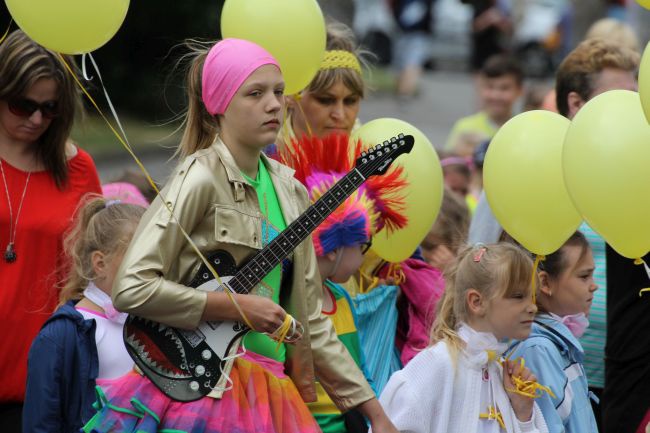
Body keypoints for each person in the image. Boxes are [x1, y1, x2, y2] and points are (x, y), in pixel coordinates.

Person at [82, 38, 397, 433]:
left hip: (270, 393)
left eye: (279, 92)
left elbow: (311, 320)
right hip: (202, 390)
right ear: (219, 104)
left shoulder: (291, 190)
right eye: (255, 93)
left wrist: (376, 414)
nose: (274, 104)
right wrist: (232, 307)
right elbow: (131, 287)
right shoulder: (199, 178)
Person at [468, 38, 639, 432]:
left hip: (626, 380)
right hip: (537, 372)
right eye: (618, 99)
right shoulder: (529, 165)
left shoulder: (632, 168)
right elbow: (477, 265)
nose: (632, 113)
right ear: (577, 103)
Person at [0, 30, 102, 430]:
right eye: (23, 105)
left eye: (50, 108)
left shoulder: (79, 169)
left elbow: (95, 278)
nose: (37, 119)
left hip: (45, 382)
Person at [280, 132, 409, 432]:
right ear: (336, 247)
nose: (364, 258)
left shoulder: (341, 299)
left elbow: (357, 369)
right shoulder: (287, 302)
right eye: (362, 247)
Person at [376, 243, 550, 433]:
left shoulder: (501, 373)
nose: (532, 307)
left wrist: (523, 415)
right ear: (477, 302)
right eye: (518, 296)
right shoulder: (435, 365)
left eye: (532, 296)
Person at [22, 196, 145, 432]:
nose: (152, 268)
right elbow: (41, 423)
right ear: (100, 263)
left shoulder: (157, 322)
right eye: (139, 258)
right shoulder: (59, 336)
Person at [508, 231, 599, 433]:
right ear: (545, 283)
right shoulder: (538, 350)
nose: (594, 285)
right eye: (584, 276)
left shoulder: (557, 343)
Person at [278, 21, 366, 149]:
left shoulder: (370, 149)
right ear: (290, 95)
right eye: (325, 100)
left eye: (350, 101)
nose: (339, 115)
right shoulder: (262, 157)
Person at [444, 54, 524, 156]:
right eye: (490, 87)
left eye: (504, 88)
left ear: (520, 91)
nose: (496, 95)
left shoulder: (524, 131)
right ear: (480, 88)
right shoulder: (464, 127)